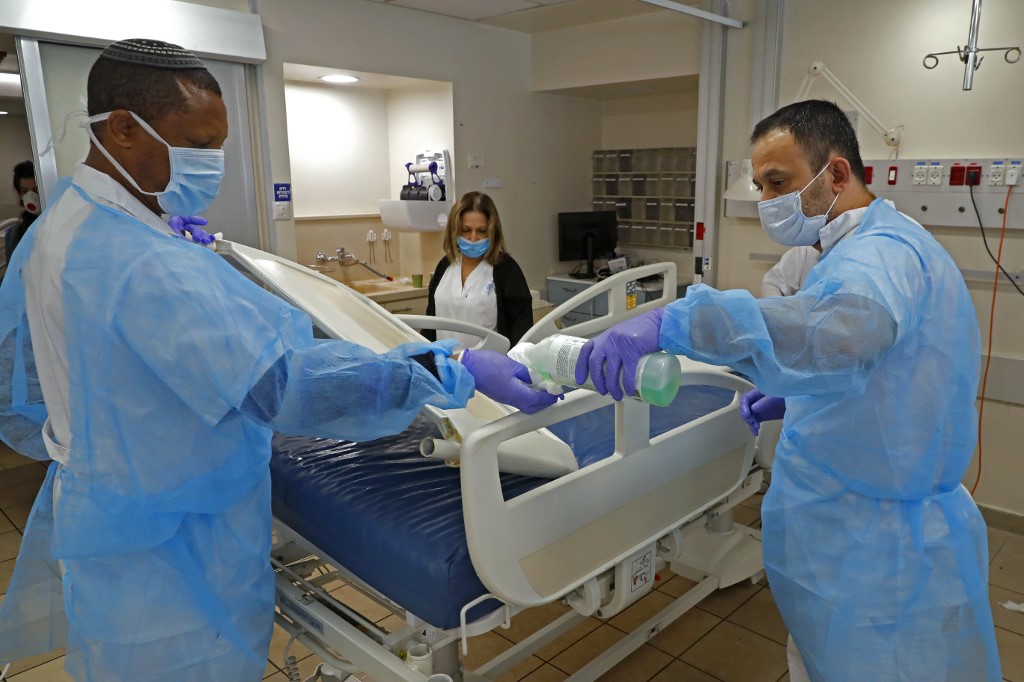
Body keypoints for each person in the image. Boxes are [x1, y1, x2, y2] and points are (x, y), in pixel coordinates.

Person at [0, 39, 555, 682]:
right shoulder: (144, 264)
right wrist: (445, 370)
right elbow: (286, 389)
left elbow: (48, 374)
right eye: (200, 146)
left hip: (115, 514)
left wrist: (170, 244)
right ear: (124, 129)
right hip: (171, 548)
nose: (213, 164)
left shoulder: (71, 223)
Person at [574, 99, 1001, 681]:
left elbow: (842, 333)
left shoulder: (880, 255)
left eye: (779, 182)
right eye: (760, 186)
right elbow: (879, 367)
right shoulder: (870, 245)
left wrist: (671, 323)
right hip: (862, 522)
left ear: (837, 174)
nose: (768, 202)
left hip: (875, 547)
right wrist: (802, 395)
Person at [425, 191, 534, 348]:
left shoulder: (505, 269)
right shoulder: (446, 265)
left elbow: (521, 331)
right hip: (445, 365)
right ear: (454, 230)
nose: (473, 238)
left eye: (481, 231)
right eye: (466, 230)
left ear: (492, 231)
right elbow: (430, 325)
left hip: (487, 368)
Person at [0, 160, 40, 278]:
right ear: (20, 194)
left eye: (36, 190)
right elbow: (12, 277)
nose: (31, 196)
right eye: (25, 191)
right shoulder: (14, 235)